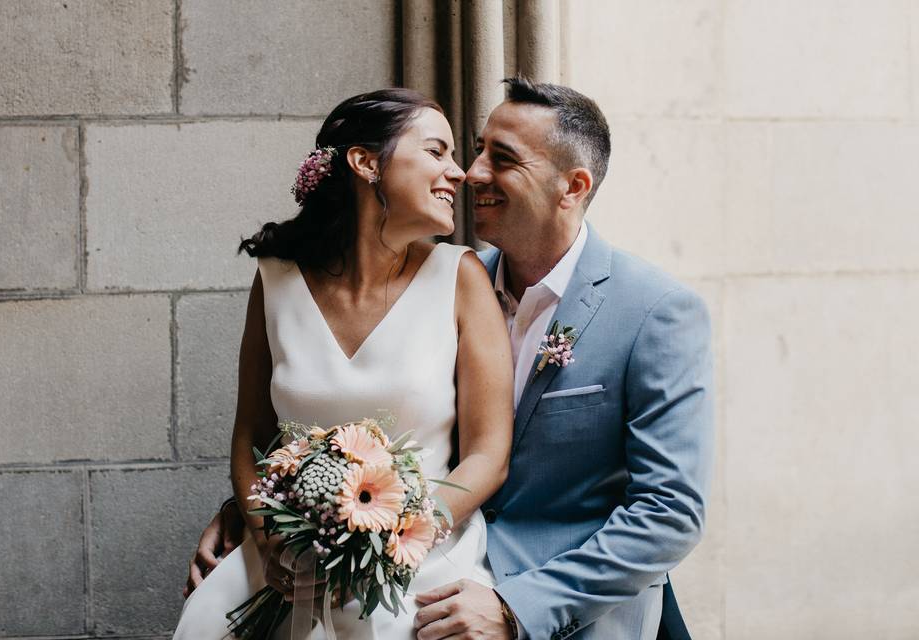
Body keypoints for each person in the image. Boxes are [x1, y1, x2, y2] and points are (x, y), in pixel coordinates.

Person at [188, 78, 714, 640]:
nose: (473, 172)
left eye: (502, 158)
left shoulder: (655, 311)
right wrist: (273, 511)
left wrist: (517, 607)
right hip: (396, 573)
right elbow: (296, 424)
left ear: (573, 186)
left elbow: (670, 512)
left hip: (558, 605)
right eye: (473, 149)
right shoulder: (459, 276)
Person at [173, 88, 515, 638]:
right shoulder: (276, 279)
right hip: (288, 555)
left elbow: (488, 454)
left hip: (421, 554)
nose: (458, 173)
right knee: (210, 623)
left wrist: (400, 536)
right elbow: (251, 435)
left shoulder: (462, 277)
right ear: (365, 162)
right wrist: (268, 535)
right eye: (436, 151)